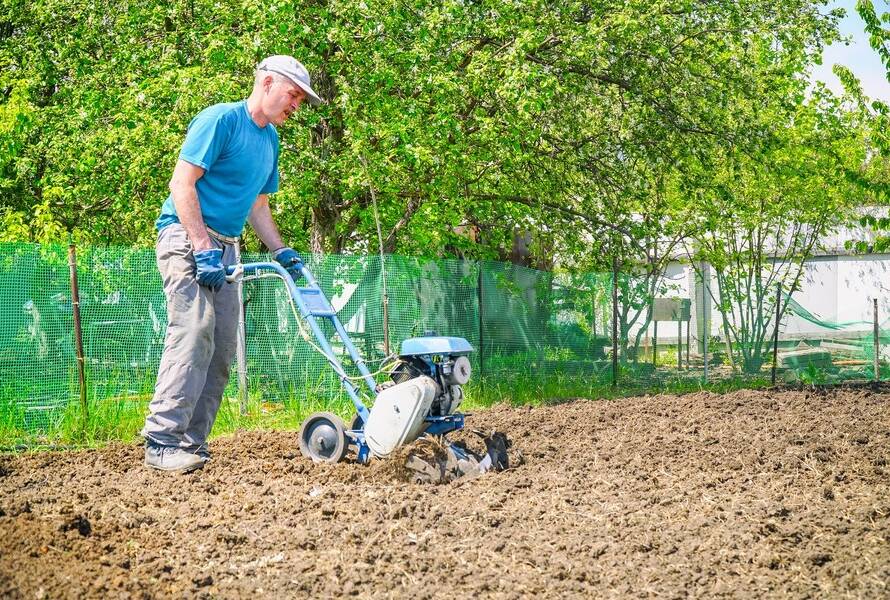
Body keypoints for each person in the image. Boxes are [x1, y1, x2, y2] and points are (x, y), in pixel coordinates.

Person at [141, 55, 323, 473]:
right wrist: (202, 246)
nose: (296, 105)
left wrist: (280, 249)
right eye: (293, 95)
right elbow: (181, 183)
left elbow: (258, 206)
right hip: (185, 237)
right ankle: (162, 440)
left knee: (222, 346)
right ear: (267, 83)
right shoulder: (221, 119)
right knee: (193, 329)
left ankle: (192, 443)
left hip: (226, 247)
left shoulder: (270, 141)